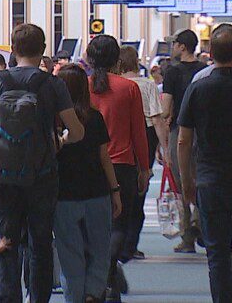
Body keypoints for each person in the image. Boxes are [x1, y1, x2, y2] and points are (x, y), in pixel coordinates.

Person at [0, 23, 85, 303]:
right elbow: (77, 132)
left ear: (13, 50)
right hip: (42, 175)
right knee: (40, 243)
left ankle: (8, 297)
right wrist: (59, 141)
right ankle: (38, 298)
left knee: (4, 242)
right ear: (44, 50)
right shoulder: (53, 84)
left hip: (2, 176)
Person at [177, 26, 232, 303]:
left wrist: (187, 182)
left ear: (210, 53)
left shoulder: (198, 87)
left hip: (209, 179)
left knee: (217, 253)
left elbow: (184, 141)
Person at [85, 35, 149, 303]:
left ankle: (101, 278)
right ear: (117, 60)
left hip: (88, 167)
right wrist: (144, 169)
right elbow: (138, 133)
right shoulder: (128, 88)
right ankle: (110, 271)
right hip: (122, 165)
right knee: (119, 224)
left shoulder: (82, 87)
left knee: (90, 227)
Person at [54, 64, 122, 303]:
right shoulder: (94, 117)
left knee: (69, 254)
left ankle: (74, 297)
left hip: (63, 196)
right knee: (99, 249)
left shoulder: (54, 121)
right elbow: (105, 157)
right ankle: (93, 293)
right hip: (96, 192)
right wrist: (115, 190)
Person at [160, 29, 207, 254]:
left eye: (175, 44)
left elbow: (166, 108)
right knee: (201, 178)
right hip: (203, 132)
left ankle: (188, 235)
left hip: (180, 131)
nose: (172, 47)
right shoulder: (205, 71)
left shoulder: (172, 73)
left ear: (182, 47)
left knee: (181, 183)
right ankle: (201, 224)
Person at [117, 46, 163, 262]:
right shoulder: (147, 85)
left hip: (121, 135)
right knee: (140, 191)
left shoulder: (114, 85)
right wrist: (164, 146)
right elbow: (156, 118)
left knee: (121, 188)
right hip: (145, 135)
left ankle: (117, 241)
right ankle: (131, 244)